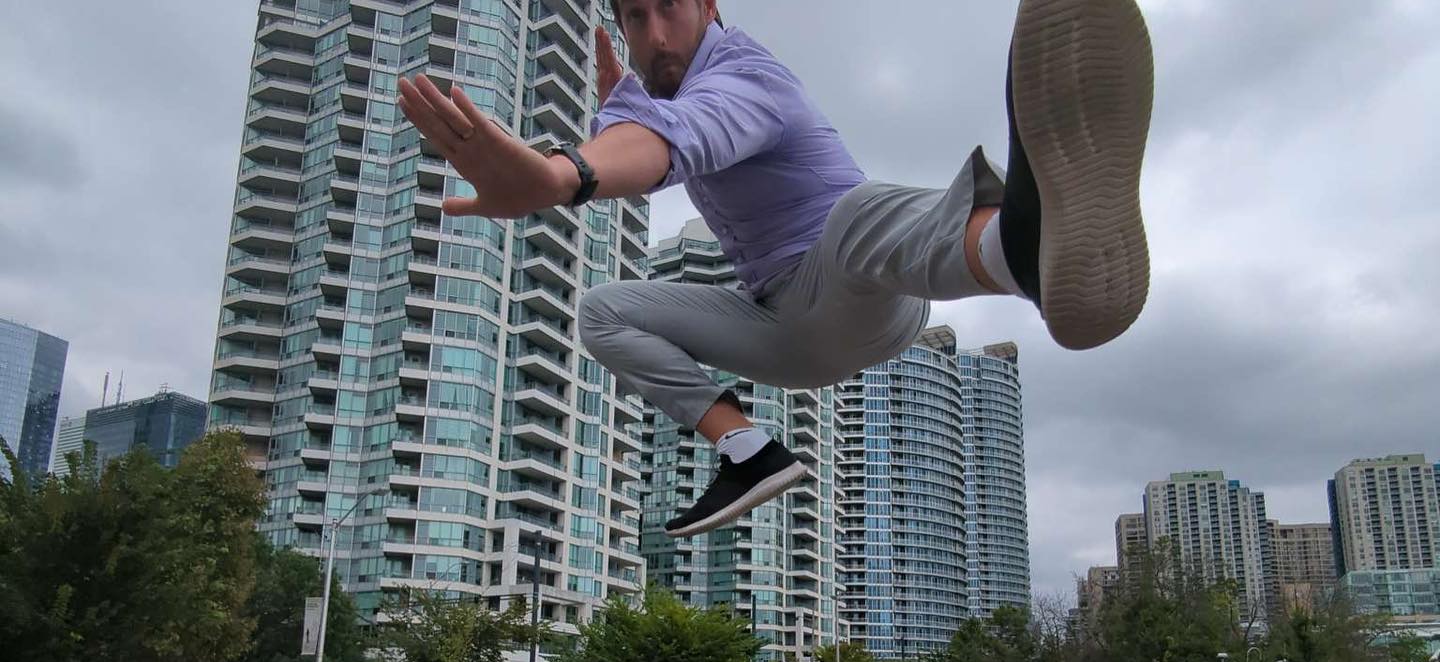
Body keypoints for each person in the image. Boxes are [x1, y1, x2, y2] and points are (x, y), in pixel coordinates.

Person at [398, 0, 1153, 537]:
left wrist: (562, 176)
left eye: (670, 9)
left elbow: (681, 137)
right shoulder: (664, 90)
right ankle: (749, 451)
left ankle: (1026, 249)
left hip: (867, 297)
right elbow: (650, 131)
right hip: (788, 327)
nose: (655, 36)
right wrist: (611, 125)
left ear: (710, 7)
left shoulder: (745, 76)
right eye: (634, 16)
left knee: (851, 216)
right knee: (603, 309)